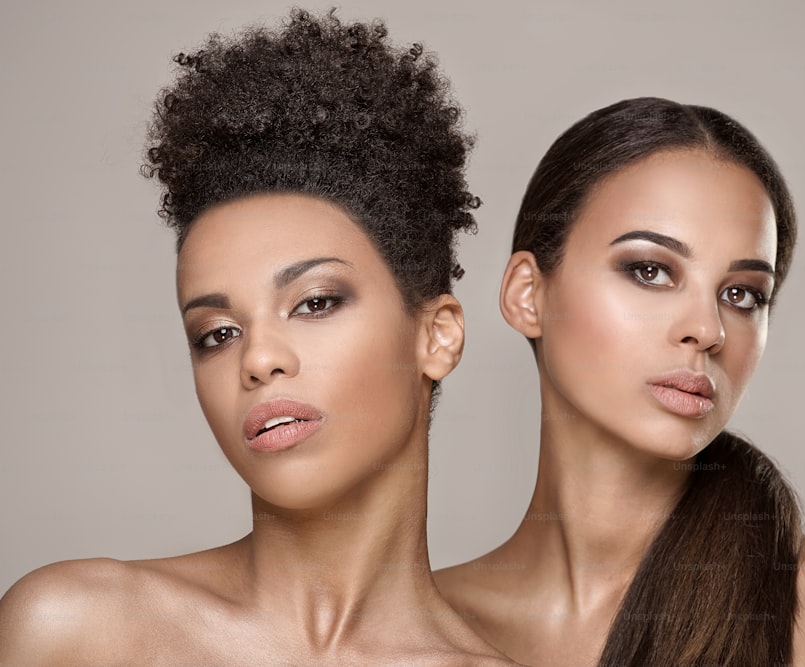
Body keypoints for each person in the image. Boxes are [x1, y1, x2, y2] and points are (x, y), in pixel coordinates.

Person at [0, 9, 514, 664]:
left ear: (436, 336)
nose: (259, 358)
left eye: (315, 302)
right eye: (216, 333)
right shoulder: (74, 630)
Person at [434, 97, 805, 666]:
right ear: (529, 294)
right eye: (649, 271)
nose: (707, 329)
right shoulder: (413, 634)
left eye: (741, 294)